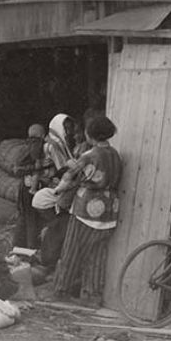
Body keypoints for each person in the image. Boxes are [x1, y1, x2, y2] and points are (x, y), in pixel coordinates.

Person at [52, 116, 122, 303]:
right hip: (109, 212)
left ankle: (61, 291)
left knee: (72, 250)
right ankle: (91, 296)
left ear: (90, 135)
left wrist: (57, 190)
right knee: (97, 255)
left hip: (86, 211)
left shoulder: (89, 155)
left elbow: (69, 177)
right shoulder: (115, 154)